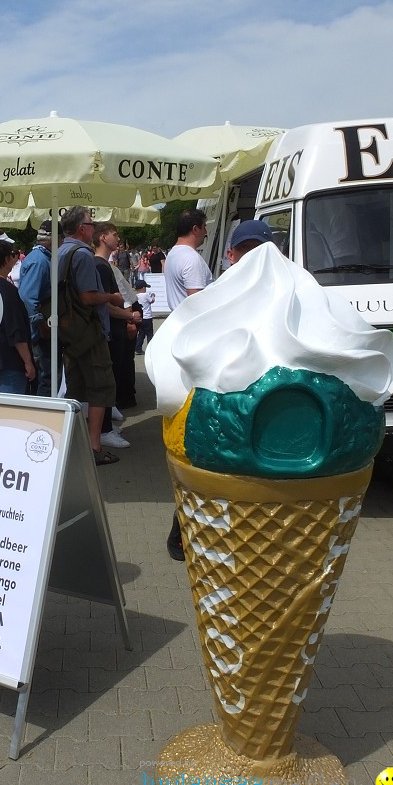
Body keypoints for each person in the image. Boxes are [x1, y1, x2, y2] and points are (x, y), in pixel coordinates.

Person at [164, 219, 274, 562]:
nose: (253, 258)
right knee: (208, 476)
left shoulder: (284, 294)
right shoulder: (214, 298)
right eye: (245, 251)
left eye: (261, 251)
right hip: (215, 404)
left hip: (262, 407)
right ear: (230, 255)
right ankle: (182, 533)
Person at [58, 207, 122, 465]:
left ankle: (74, 443)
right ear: (82, 228)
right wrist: (111, 297)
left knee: (76, 388)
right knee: (101, 387)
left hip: (69, 330)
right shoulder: (82, 255)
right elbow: (87, 296)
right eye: (91, 223)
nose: (94, 228)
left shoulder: (61, 251)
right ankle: (93, 447)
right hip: (87, 331)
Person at [92, 223, 140, 446]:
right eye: (114, 234)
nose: (118, 237)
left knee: (111, 380)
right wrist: (128, 316)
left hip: (113, 330)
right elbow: (105, 304)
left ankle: (106, 426)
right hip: (109, 332)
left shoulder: (104, 265)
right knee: (107, 381)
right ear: (103, 237)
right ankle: (104, 430)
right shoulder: (100, 266)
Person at [0, 239, 35, 394]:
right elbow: (16, 331)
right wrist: (28, 361)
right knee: (11, 410)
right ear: (5, 260)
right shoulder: (8, 291)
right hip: (9, 358)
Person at [18, 220, 54, 396]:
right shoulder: (39, 261)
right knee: (45, 378)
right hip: (38, 333)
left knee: (46, 376)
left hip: (40, 329)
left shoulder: (42, 257)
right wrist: (40, 326)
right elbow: (28, 297)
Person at [165, 209, 212, 309]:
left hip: (178, 318)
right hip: (192, 322)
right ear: (195, 229)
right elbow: (197, 302)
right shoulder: (191, 258)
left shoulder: (172, 254)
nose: (206, 232)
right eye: (204, 227)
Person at [134, 279, 155, 354]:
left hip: (141, 318)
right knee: (149, 334)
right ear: (143, 288)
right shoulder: (145, 295)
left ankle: (138, 348)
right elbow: (152, 301)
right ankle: (151, 349)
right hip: (148, 317)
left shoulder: (135, 296)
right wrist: (153, 296)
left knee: (141, 333)